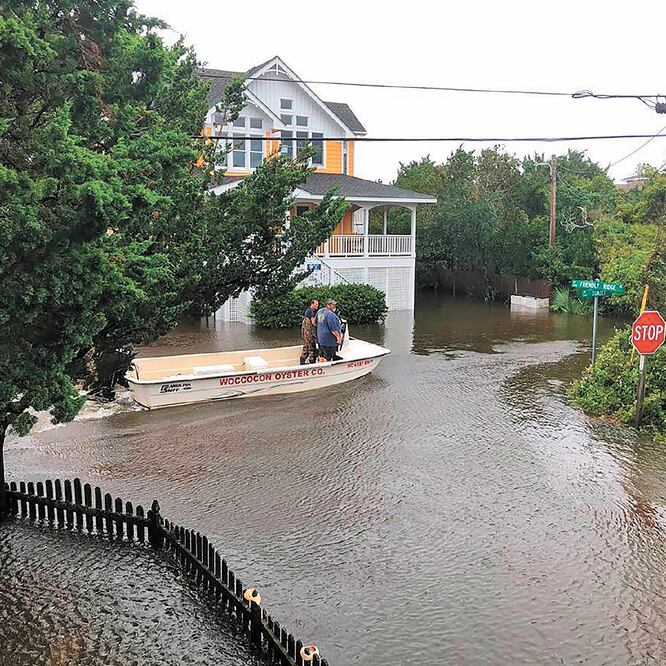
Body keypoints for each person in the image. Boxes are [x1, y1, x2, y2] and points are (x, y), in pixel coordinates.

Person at [299, 298, 319, 364]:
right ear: (312, 304)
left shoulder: (307, 310)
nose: (317, 306)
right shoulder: (310, 311)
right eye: (316, 304)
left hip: (305, 334)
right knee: (312, 349)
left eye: (317, 304)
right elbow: (313, 323)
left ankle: (302, 362)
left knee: (306, 348)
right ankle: (312, 364)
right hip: (309, 334)